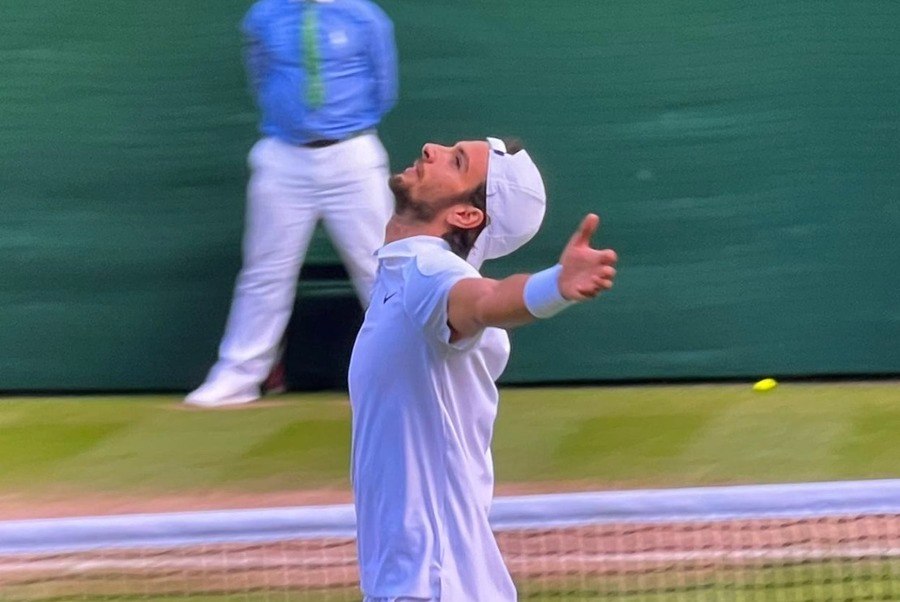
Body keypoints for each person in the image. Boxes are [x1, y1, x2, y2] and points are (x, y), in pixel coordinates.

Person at [348, 137, 618, 601]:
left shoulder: (429, 272)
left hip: (432, 585)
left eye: (455, 161)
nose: (430, 148)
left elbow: (486, 301)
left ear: (466, 215)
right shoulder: (401, 273)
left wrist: (554, 285)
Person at [186, 0, 399, 407]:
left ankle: (404, 375)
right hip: (282, 155)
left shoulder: (365, 16)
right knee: (265, 271)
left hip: (352, 154)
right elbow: (262, 76)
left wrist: (339, 125)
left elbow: (383, 88)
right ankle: (239, 375)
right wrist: (296, 122)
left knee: (381, 268)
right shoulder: (264, 15)